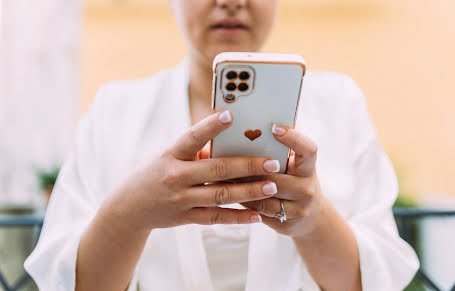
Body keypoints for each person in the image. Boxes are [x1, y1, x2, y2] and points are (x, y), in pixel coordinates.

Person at [24, 0, 419, 290]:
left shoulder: (340, 104)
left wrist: (313, 221)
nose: (231, 3)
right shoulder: (113, 112)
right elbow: (70, 284)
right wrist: (131, 215)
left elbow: (375, 282)